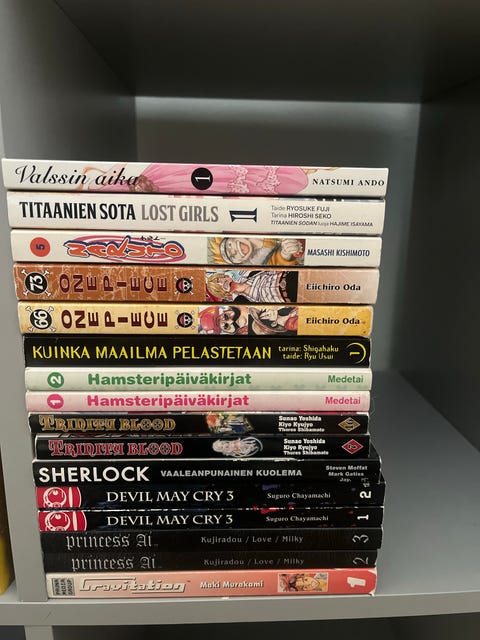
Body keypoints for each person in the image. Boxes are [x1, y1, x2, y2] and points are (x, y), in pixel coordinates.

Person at [206, 269, 298, 304]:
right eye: (218, 287)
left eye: (219, 280)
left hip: (291, 277)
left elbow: (272, 269)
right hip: (291, 298)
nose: (221, 283)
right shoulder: (239, 301)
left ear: (226, 276)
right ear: (222, 293)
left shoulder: (245, 273)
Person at [208, 236, 305, 267]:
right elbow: (278, 262)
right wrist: (286, 253)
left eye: (229, 245)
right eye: (233, 257)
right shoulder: (262, 260)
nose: (233, 251)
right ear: (242, 261)